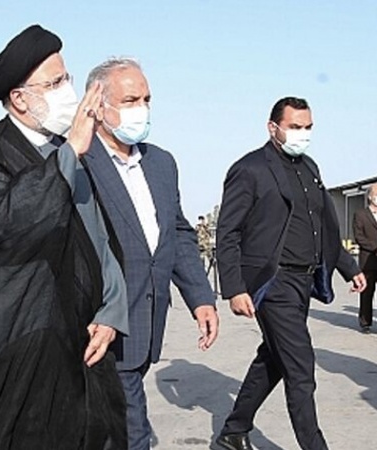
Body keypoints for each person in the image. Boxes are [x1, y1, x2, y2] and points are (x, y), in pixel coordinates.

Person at [0, 25, 129, 449]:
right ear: (20, 99)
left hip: (81, 347)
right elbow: (2, 223)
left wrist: (112, 312)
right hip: (14, 348)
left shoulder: (75, 151)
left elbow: (99, 239)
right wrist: (68, 154)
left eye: (67, 78)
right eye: (55, 83)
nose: (68, 91)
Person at [81, 57, 219, 450]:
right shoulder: (78, 161)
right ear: (98, 105)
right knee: (132, 431)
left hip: (147, 318)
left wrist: (200, 297)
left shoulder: (160, 163)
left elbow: (176, 233)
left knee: (112, 428)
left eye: (146, 99)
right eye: (130, 100)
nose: (141, 109)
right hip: (101, 325)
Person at [214, 97, 366, 450]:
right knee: (301, 368)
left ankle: (233, 431)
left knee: (273, 357)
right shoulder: (250, 169)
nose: (303, 134)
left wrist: (347, 266)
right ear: (273, 128)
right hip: (273, 282)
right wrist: (234, 288)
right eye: (295, 127)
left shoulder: (309, 168)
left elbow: (322, 225)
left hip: (303, 281)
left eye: (308, 127)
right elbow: (228, 231)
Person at [353, 184, 377, 333]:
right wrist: (375, 247)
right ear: (370, 196)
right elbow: (359, 237)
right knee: (367, 293)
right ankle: (365, 322)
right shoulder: (360, 214)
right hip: (368, 260)